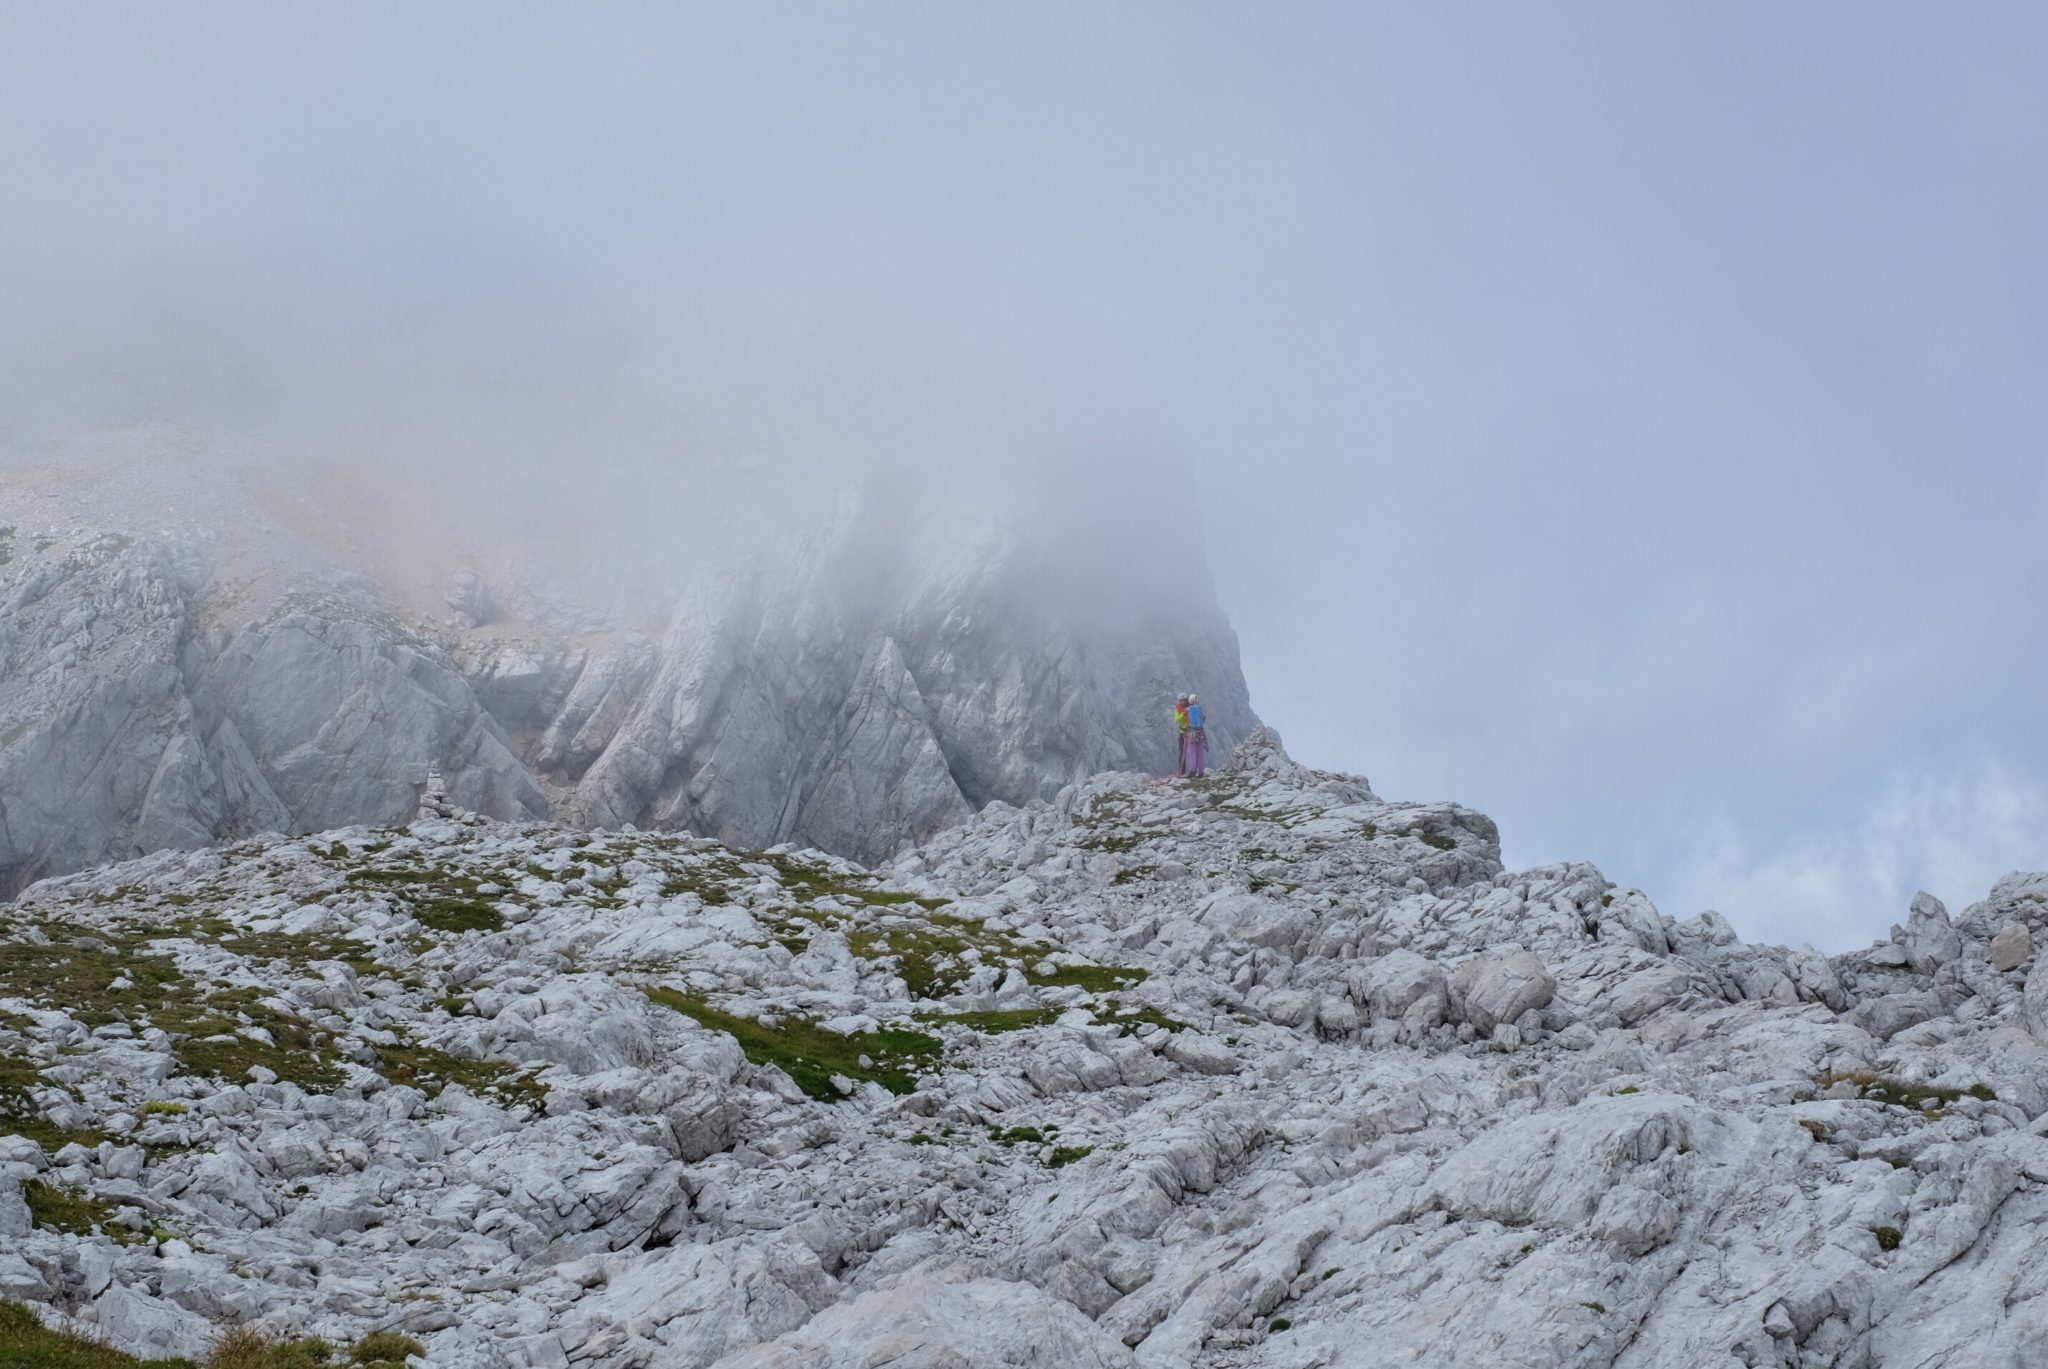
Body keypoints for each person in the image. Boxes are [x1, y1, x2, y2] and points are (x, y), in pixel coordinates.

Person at [1185, 693, 1208, 777]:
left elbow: (1187, 721)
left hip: (1192, 733)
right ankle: (1201, 771)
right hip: (1201, 733)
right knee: (1200, 752)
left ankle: (1193, 771)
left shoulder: (1188, 709)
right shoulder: (1200, 708)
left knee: (1192, 752)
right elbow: (1203, 719)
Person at [1173, 694, 1191, 776]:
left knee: (1191, 752)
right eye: (1180, 700)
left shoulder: (1190, 708)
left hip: (1191, 732)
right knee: (1182, 752)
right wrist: (1184, 713)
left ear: (1186, 700)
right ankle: (1182, 771)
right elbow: (1176, 720)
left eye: (1183, 700)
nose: (1181, 702)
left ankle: (1191, 771)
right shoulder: (1178, 710)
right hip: (1183, 733)